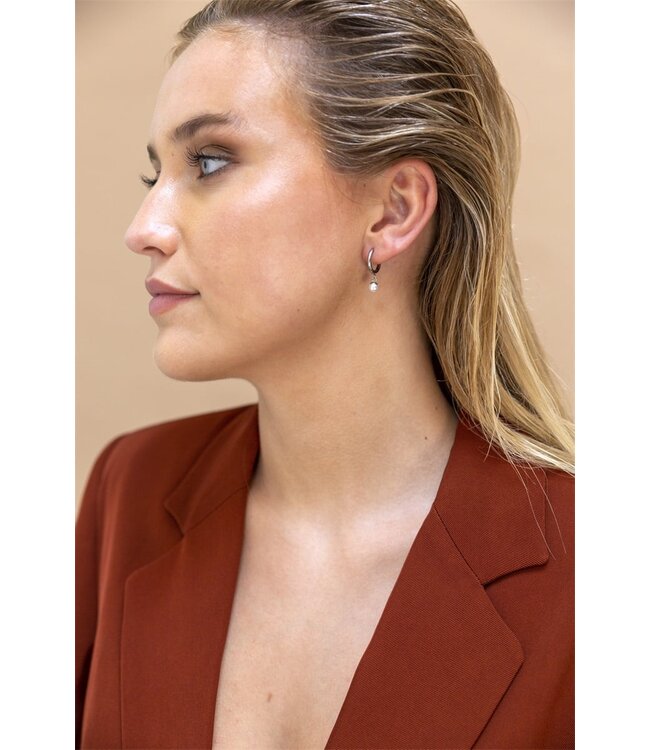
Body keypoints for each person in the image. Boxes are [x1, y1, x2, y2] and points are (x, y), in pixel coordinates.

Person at [75, 1, 574, 748]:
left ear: (393, 210)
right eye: (157, 173)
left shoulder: (590, 568)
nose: (143, 228)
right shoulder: (130, 493)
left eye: (208, 161)